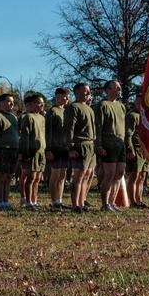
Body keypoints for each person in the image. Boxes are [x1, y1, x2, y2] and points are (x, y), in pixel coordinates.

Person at [94, 81, 126, 212]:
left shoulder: (121, 106)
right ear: (108, 90)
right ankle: (105, 204)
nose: (119, 90)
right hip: (108, 141)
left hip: (120, 142)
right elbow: (98, 127)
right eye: (116, 88)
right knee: (110, 173)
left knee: (120, 173)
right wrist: (99, 145)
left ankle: (112, 202)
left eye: (120, 87)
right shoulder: (102, 105)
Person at [64, 83, 96, 213]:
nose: (88, 93)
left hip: (91, 145)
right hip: (80, 144)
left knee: (88, 175)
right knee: (79, 176)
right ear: (77, 92)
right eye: (85, 91)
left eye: (89, 91)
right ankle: (75, 205)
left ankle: (82, 203)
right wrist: (71, 147)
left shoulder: (89, 108)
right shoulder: (73, 107)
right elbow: (69, 128)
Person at [44, 88, 70, 209]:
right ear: (57, 97)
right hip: (55, 148)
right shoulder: (52, 112)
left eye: (68, 96)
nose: (67, 99)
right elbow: (48, 132)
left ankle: (60, 200)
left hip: (65, 148)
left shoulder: (66, 111)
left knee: (63, 175)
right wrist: (48, 149)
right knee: (55, 174)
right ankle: (54, 201)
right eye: (64, 96)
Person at [18, 94, 46, 210]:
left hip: (41, 152)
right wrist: (26, 153)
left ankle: (34, 201)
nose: (42, 105)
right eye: (39, 102)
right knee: (31, 178)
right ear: (32, 104)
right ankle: (28, 202)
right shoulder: (28, 117)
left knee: (38, 179)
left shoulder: (42, 118)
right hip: (32, 152)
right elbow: (25, 136)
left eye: (42, 103)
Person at [125, 97, 149, 208]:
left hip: (145, 150)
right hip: (135, 149)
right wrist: (130, 149)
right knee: (134, 175)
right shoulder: (132, 116)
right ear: (136, 103)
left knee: (142, 176)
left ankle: (139, 200)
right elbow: (128, 134)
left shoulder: (145, 116)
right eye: (139, 103)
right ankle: (133, 201)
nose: (141, 106)